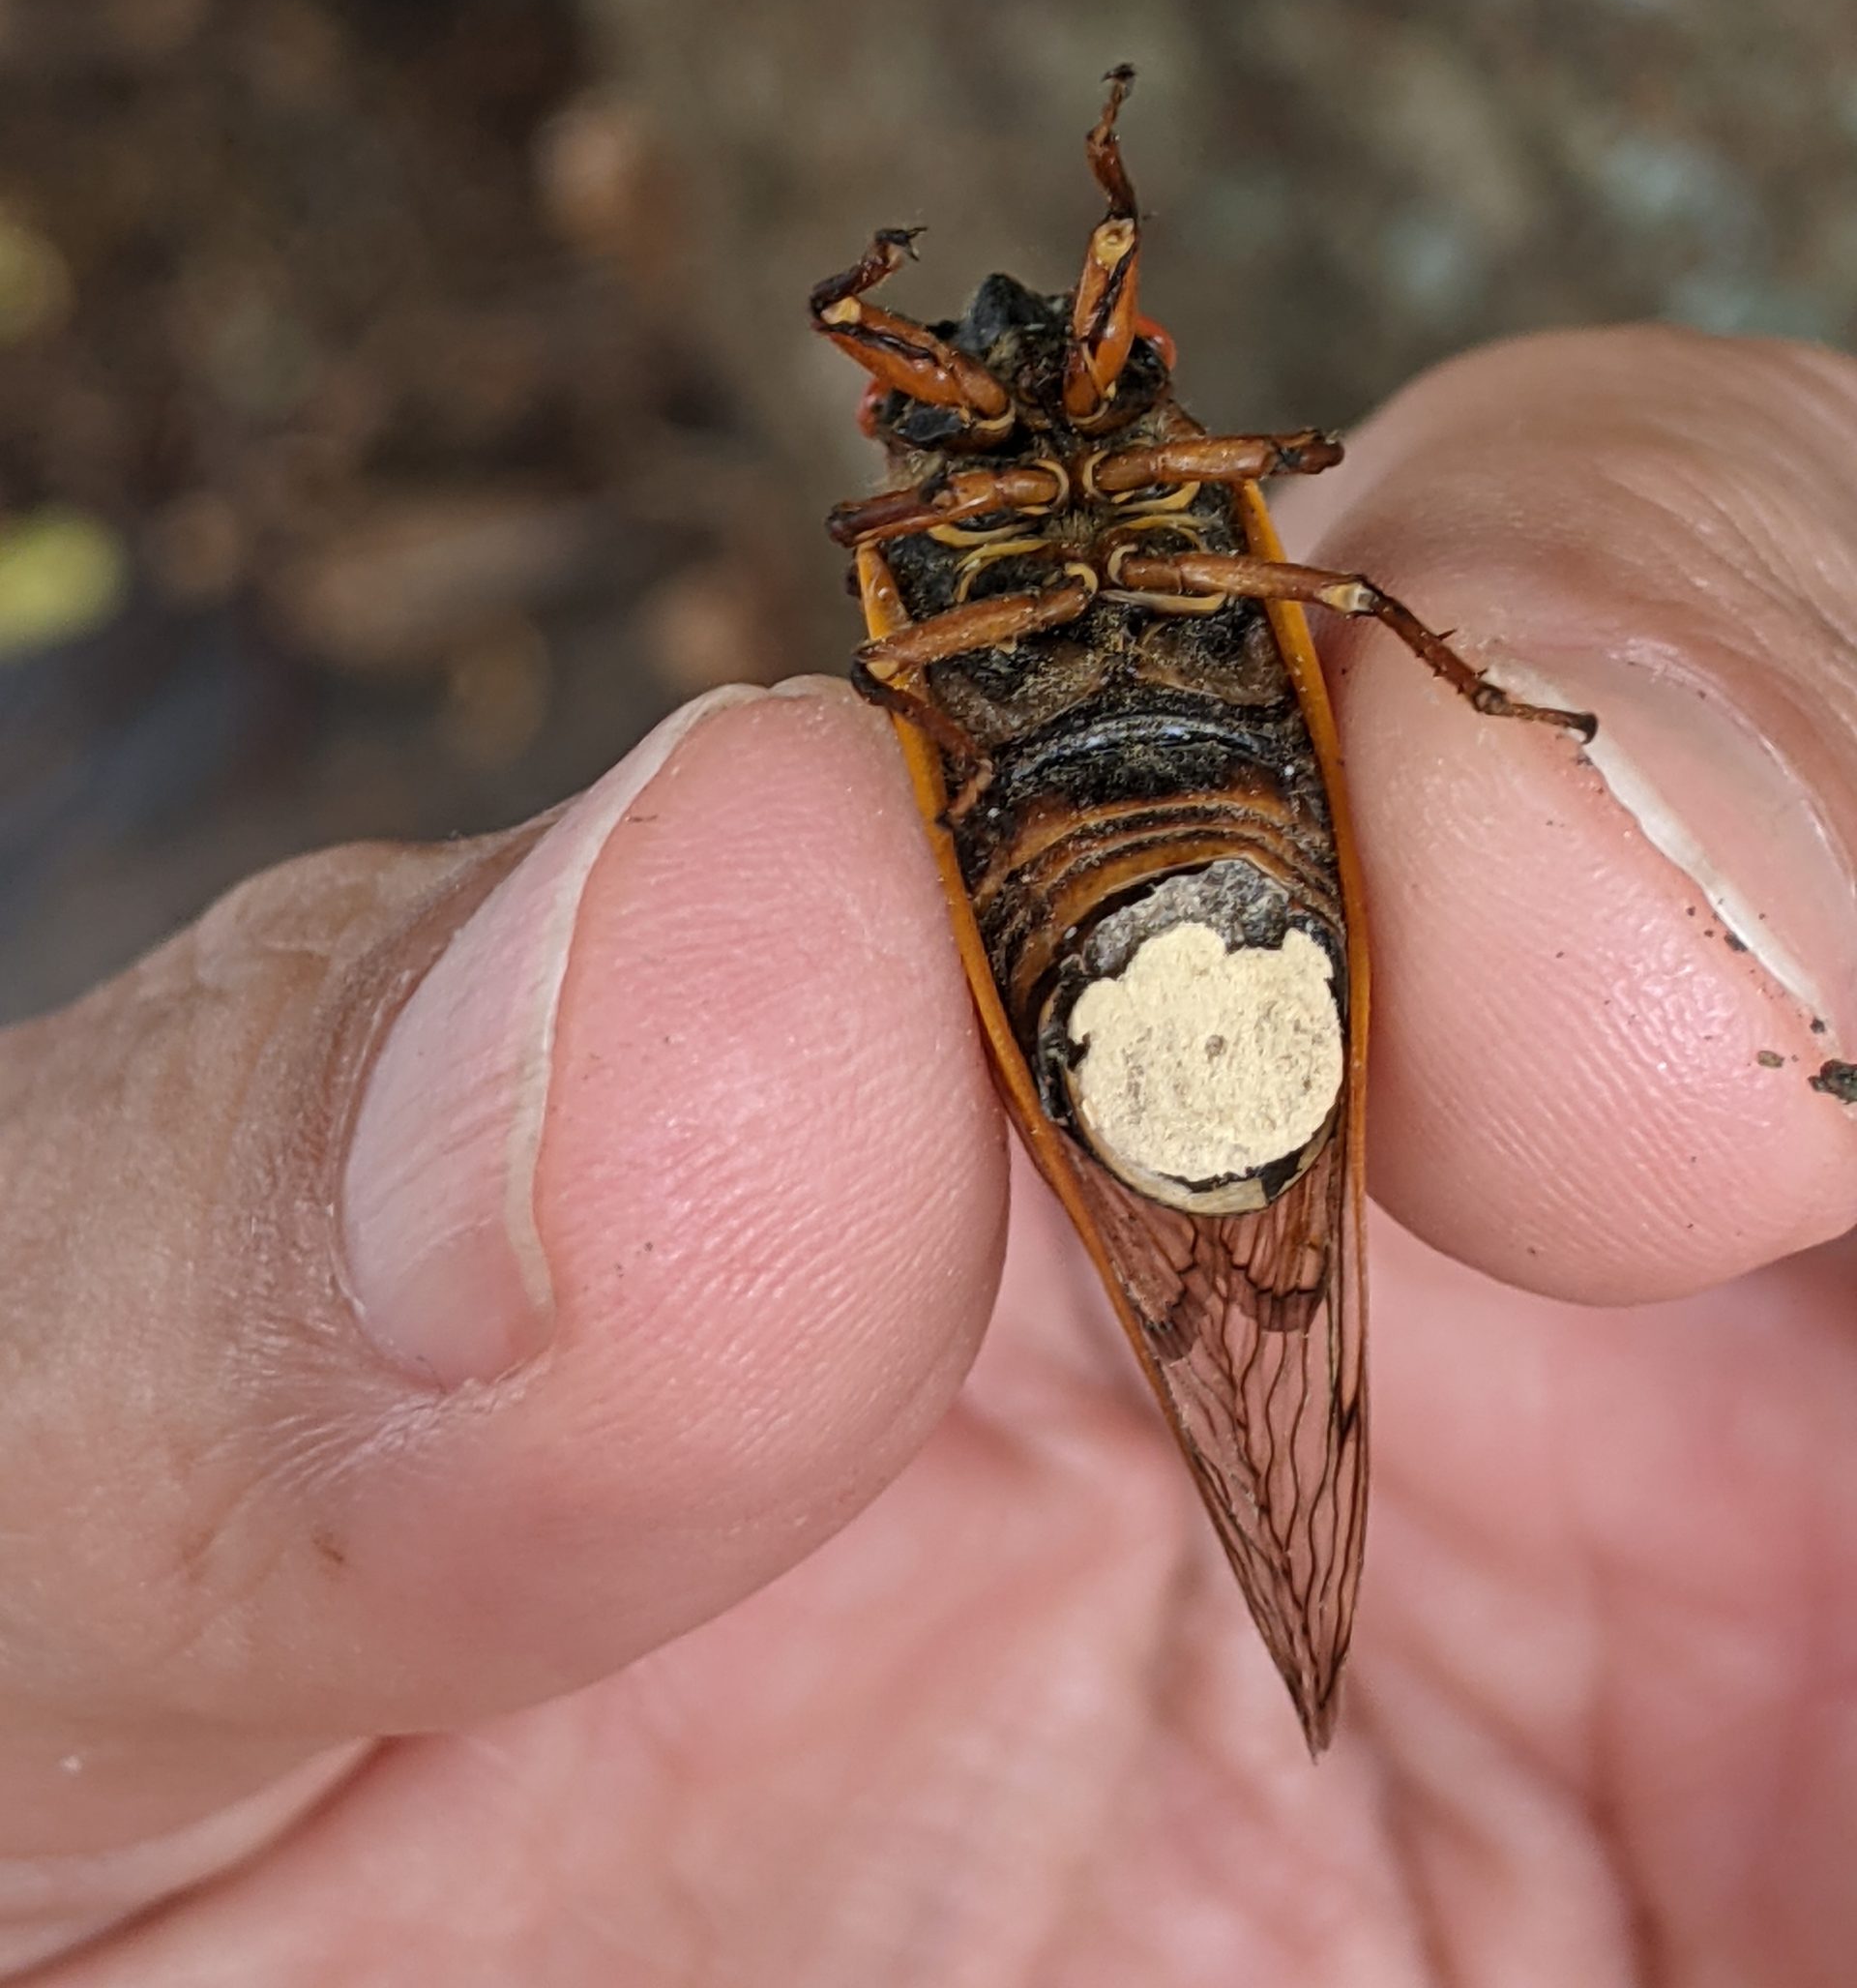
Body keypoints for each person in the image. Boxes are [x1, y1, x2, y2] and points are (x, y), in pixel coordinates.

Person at [4, 324, 1853, 1984]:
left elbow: (1318, 571)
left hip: (1143, 837)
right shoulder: (964, 549)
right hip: (1150, 837)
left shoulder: (1099, 510)